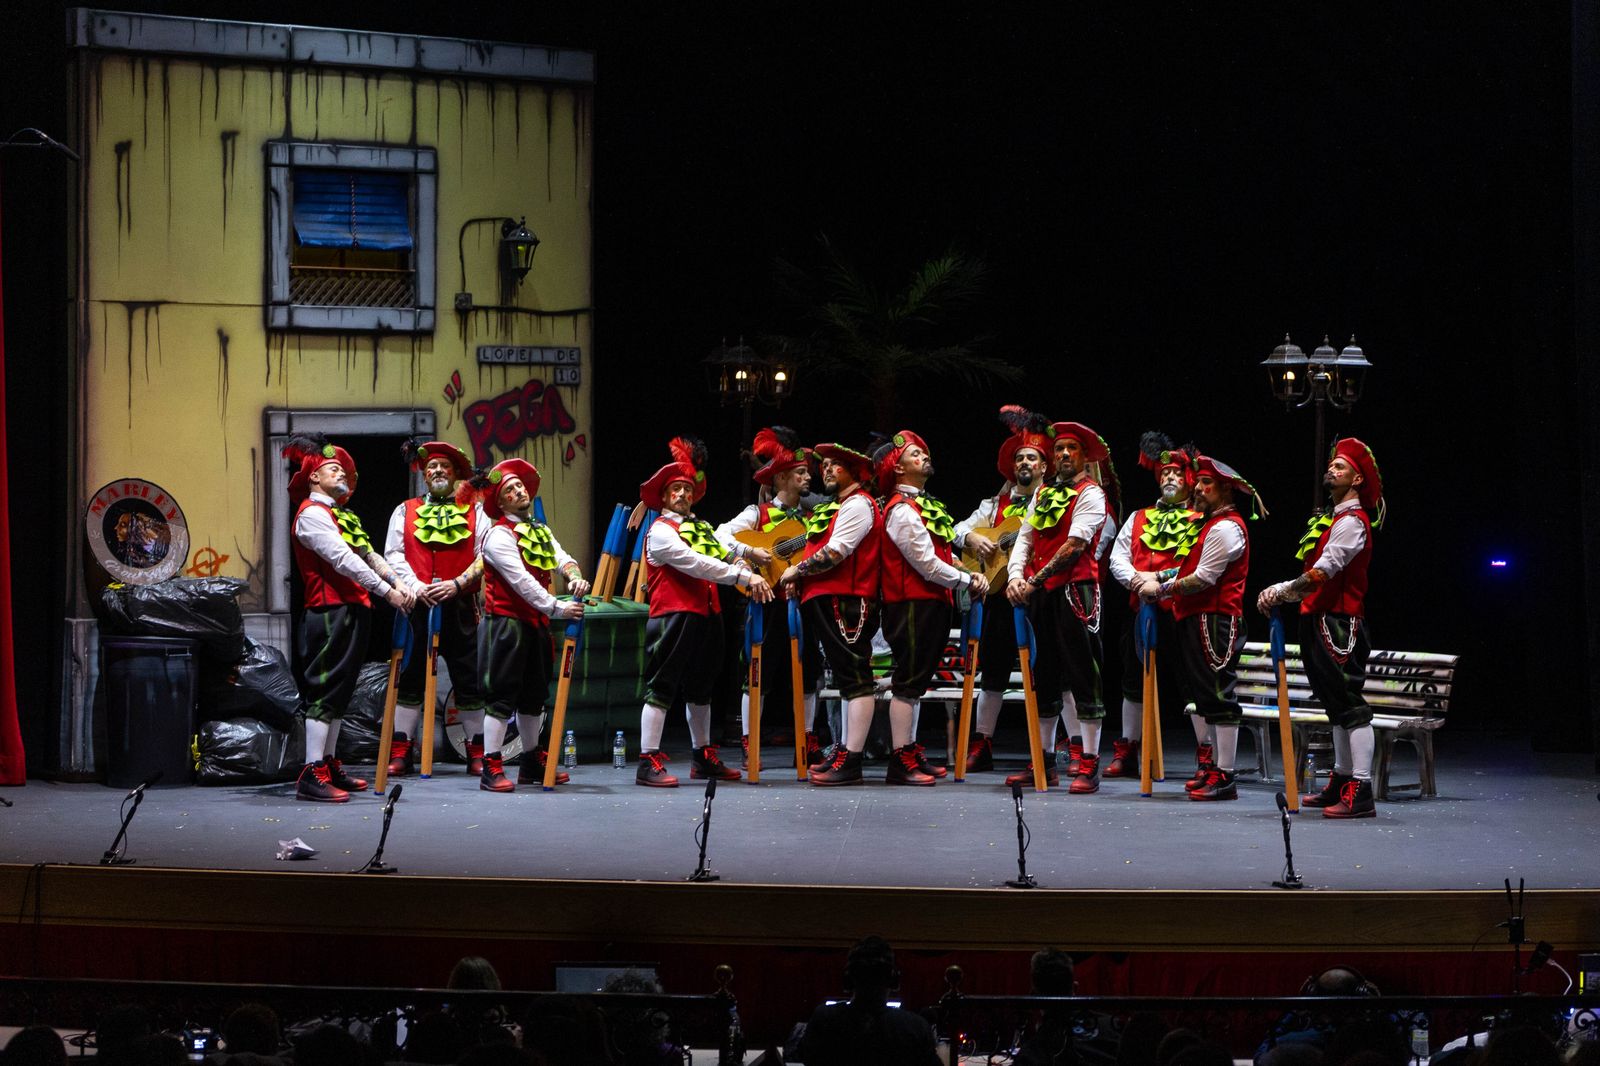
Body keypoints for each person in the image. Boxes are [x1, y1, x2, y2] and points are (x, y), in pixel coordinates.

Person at [1257, 438, 1384, 818]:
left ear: (1357, 479)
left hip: (1339, 622)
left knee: (1350, 706)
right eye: (1332, 466)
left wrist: (1281, 591)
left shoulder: (1352, 523)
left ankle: (1361, 790)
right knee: (1334, 707)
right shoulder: (1334, 520)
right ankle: (1342, 779)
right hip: (1319, 619)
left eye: (1341, 467)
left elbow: (1321, 573)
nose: (1332, 470)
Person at [636, 438, 773, 787]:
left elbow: (722, 548)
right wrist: (742, 574)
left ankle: (702, 755)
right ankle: (647, 759)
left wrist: (743, 559)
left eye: (687, 488)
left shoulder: (702, 528)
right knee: (661, 688)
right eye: (675, 490)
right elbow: (699, 565)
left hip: (707, 615)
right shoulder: (661, 533)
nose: (682, 494)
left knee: (702, 688)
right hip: (673, 617)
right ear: (664, 498)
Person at [284, 436, 413, 802]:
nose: (341, 471)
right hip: (328, 611)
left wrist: (399, 582)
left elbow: (369, 555)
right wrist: (387, 593)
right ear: (312, 477)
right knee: (324, 691)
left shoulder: (343, 515)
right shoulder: (311, 514)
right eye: (331, 467)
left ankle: (328, 761)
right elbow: (344, 559)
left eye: (343, 468)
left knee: (340, 693)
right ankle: (311, 772)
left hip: (353, 609)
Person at [1137, 455, 1262, 801]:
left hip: (1217, 619)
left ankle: (1226, 775)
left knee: (1220, 695)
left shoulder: (1226, 527)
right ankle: (1214, 770)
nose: (1200, 489)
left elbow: (1203, 578)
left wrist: (1160, 588)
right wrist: (1161, 578)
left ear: (1225, 491)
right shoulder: (1208, 525)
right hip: (1197, 618)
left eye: (1208, 485)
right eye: (1200, 483)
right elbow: (1188, 569)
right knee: (1205, 697)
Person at [383, 442, 506, 778]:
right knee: (409, 680)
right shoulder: (404, 511)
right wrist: (416, 586)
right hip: (416, 604)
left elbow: (488, 555)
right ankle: (402, 750)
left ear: (455, 475)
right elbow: (393, 555)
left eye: (444, 467)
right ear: (423, 474)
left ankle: (476, 751)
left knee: (468, 681)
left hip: (461, 607)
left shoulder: (476, 512)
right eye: (431, 467)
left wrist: (455, 584)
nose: (437, 471)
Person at [873, 430, 987, 784]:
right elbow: (925, 563)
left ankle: (908, 749)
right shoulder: (901, 510)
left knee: (916, 681)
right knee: (908, 680)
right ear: (898, 469)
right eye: (915, 454)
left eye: (924, 452)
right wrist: (967, 580)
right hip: (910, 603)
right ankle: (899, 761)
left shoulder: (923, 505)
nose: (924, 457)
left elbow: (940, 555)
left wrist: (963, 568)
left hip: (931, 601)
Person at [1005, 422, 1113, 791]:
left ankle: (1090, 762)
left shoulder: (1092, 494)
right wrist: (1015, 576)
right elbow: (1025, 536)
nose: (1064, 454)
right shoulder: (1043, 494)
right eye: (1060, 449)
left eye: (1072, 449)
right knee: (1043, 678)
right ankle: (1044, 761)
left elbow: (1075, 546)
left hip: (1076, 592)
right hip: (1041, 593)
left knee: (1084, 675)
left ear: (1084, 456)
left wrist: (1032, 581)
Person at [714, 425, 827, 767]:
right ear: (780, 480)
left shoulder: (814, 519)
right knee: (758, 674)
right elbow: (719, 535)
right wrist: (751, 551)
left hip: (803, 603)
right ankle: (751, 742)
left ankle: (805, 741)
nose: (808, 477)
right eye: (801, 473)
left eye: (808, 472)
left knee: (809, 672)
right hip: (765, 603)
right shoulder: (757, 514)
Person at [473, 458, 587, 791]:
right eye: (510, 489)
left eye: (519, 485)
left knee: (534, 696)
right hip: (506, 626)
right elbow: (522, 582)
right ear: (502, 501)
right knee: (501, 696)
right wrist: (557, 607)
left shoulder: (539, 529)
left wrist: (574, 575)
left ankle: (531, 760)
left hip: (535, 624)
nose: (518, 491)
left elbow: (560, 556)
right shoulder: (498, 537)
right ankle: (491, 765)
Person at [955, 406, 1052, 774]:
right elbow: (957, 530)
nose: (1025, 462)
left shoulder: (1053, 501)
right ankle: (982, 742)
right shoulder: (993, 505)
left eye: (1032, 457)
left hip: (1037, 593)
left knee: (1047, 672)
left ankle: (1050, 748)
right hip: (998, 596)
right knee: (992, 671)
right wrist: (975, 538)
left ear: (1044, 467)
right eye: (1020, 458)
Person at [780, 442, 884, 787]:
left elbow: (836, 552)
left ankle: (852, 760)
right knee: (844, 678)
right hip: (830, 599)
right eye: (823, 465)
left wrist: (797, 571)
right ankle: (845, 752)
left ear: (853, 472)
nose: (825, 470)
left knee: (855, 677)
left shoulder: (857, 504)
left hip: (849, 601)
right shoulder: (836, 507)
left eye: (834, 465)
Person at [1105, 433, 1202, 778]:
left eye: (1176, 473)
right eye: (1164, 474)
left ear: (1189, 479)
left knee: (1193, 684)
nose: (1169, 478)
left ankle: (1207, 755)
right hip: (1140, 610)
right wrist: (1137, 582)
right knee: (1133, 680)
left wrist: (1157, 583)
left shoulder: (1200, 520)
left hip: (1182, 613)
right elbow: (1117, 558)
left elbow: (1195, 563)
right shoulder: (1138, 517)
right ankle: (1129, 748)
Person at [796, 935, 941, 1066]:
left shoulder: (824, 1019)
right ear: (894, 979)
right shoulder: (916, 1027)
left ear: (848, 979)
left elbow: (807, 1059)